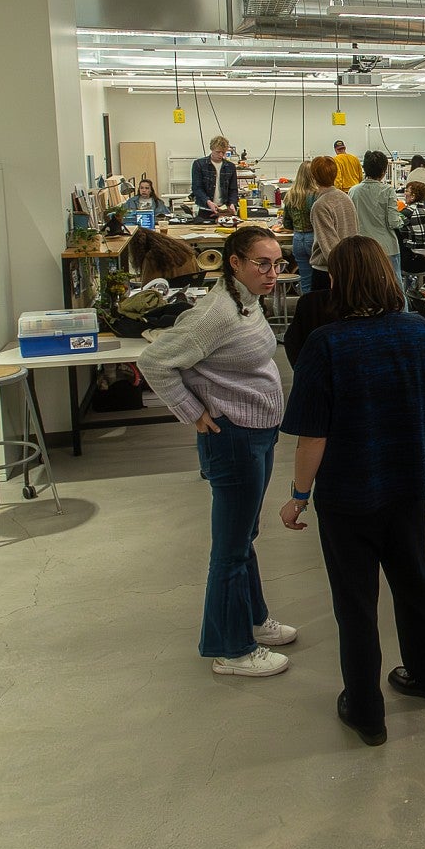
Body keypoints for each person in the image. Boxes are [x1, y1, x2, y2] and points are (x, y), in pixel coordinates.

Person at [279, 235, 425, 746]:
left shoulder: (326, 344)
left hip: (348, 497)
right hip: (408, 486)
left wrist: (298, 496)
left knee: (356, 603)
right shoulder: (419, 331)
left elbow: (312, 436)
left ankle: (366, 711)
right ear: (386, 274)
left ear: (337, 282)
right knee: (416, 584)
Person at [138, 226, 295, 678]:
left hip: (257, 431)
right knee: (229, 548)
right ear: (235, 263)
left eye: (277, 263)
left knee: (245, 536)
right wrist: (190, 410)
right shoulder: (216, 314)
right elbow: (154, 362)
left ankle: (253, 619)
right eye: (262, 264)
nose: (272, 273)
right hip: (233, 438)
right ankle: (232, 649)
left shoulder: (246, 301)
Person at [350, 150, 404, 289]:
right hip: (387, 248)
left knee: (365, 288)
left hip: (362, 248)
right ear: (384, 170)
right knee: (394, 287)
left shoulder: (354, 191)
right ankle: (402, 311)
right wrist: (402, 220)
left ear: (364, 169)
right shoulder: (387, 190)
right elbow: (393, 222)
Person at [307, 155, 359, 293]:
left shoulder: (321, 205)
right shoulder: (345, 198)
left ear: (313, 177)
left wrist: (336, 273)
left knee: (322, 312)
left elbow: (328, 244)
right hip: (348, 266)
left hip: (328, 272)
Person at [282, 161, 317, 293]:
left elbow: (286, 224)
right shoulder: (316, 195)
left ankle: (305, 309)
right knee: (319, 279)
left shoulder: (291, 194)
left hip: (297, 239)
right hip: (313, 238)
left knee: (305, 281)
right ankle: (317, 310)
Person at [191, 135, 239, 220]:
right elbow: (197, 188)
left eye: (223, 152)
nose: (221, 155)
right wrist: (208, 202)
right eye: (218, 152)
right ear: (212, 149)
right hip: (205, 210)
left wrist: (232, 203)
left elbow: (233, 189)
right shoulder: (199, 164)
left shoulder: (230, 167)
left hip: (224, 211)